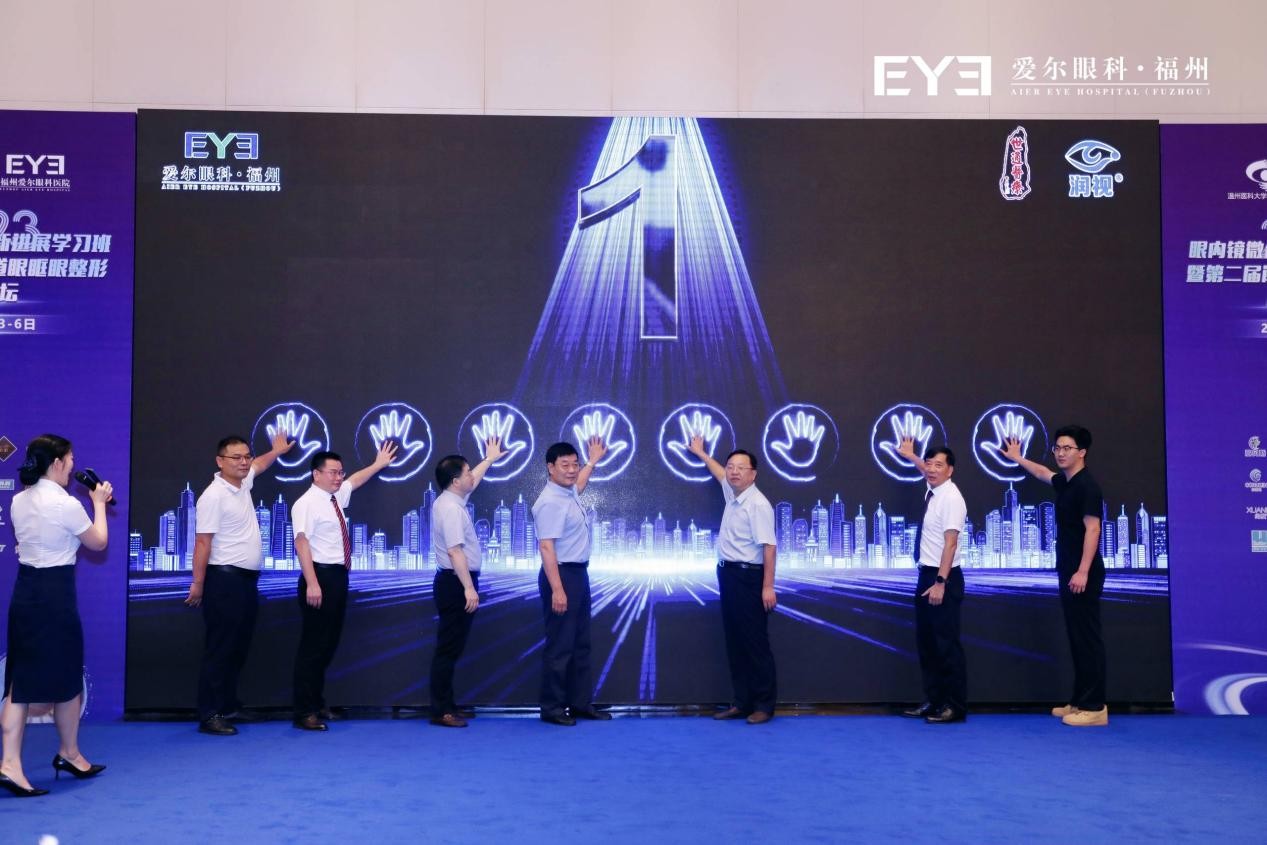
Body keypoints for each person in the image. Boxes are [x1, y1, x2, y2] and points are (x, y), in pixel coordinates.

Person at [1, 435, 113, 797]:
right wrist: (98, 503)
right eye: (71, 459)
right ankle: (24, 763)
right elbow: (98, 542)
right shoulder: (66, 504)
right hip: (55, 596)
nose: (73, 466)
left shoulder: (19, 500)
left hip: (26, 593)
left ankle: (65, 754)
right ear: (57, 463)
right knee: (60, 675)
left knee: (23, 681)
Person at [185, 431, 294, 736]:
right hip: (224, 580)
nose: (244, 462)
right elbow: (202, 542)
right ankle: (210, 714)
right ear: (220, 461)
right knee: (221, 648)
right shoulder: (213, 496)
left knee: (238, 647)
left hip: (246, 581)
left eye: (246, 456)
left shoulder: (243, 483)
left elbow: (260, 464)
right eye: (236, 457)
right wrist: (198, 583)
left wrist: (276, 451)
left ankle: (229, 706)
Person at [1005, 425, 1108, 727]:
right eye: (1057, 448)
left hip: (1083, 573)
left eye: (1067, 448)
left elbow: (1093, 529)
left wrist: (1083, 571)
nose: (1060, 453)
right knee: (1077, 639)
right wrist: (1018, 458)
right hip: (1069, 571)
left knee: (1087, 639)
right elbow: (1042, 473)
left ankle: (1095, 707)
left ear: (1082, 452)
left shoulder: (1087, 486)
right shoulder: (1067, 482)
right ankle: (1079, 701)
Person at [290, 442, 398, 731]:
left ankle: (316, 703)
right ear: (316, 474)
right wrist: (312, 582)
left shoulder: (334, 497)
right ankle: (304, 712)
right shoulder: (306, 503)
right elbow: (301, 543)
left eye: (340, 472)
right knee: (313, 647)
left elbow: (355, 481)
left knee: (327, 644)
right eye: (333, 472)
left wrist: (378, 464)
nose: (339, 477)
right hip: (319, 577)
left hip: (337, 576)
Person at [687, 437, 778, 725]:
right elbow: (718, 473)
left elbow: (770, 547)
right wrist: (701, 453)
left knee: (754, 643)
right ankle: (741, 702)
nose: (734, 472)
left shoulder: (758, 504)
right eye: (731, 467)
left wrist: (767, 586)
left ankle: (763, 705)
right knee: (735, 641)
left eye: (741, 468)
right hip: (728, 575)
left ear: (753, 474)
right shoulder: (733, 493)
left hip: (749, 577)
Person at [427, 437, 504, 728]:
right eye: (468, 472)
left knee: (452, 647)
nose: (472, 476)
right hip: (456, 583)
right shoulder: (450, 508)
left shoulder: (452, 501)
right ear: (455, 481)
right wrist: (468, 588)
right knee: (448, 649)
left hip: (455, 581)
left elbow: (474, 481)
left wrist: (489, 459)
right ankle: (441, 710)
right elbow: (454, 551)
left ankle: (447, 705)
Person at [532, 438, 610, 726]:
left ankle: (579, 704)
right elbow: (546, 547)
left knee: (580, 644)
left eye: (574, 464)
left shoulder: (567, 492)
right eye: (564, 465)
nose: (572, 470)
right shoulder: (549, 502)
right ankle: (552, 708)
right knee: (560, 646)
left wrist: (592, 461)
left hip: (578, 574)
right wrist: (557, 589)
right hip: (562, 575)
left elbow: (580, 483)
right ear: (550, 468)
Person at [896, 441, 968, 724]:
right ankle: (935, 701)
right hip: (926, 573)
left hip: (942, 577)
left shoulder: (951, 498)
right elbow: (925, 469)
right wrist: (912, 456)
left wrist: (940, 582)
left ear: (951, 470)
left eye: (939, 465)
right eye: (929, 464)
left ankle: (954, 706)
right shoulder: (935, 489)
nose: (931, 470)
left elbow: (951, 544)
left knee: (946, 645)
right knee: (927, 644)